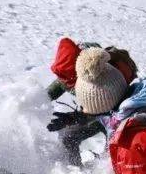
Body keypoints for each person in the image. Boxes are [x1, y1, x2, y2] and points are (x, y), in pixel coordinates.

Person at [45, 38, 137, 166]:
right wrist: (32, 104)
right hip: (99, 112)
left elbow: (105, 110)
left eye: (72, 82)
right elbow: (49, 93)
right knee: (68, 138)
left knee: (113, 150)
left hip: (116, 115)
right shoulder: (70, 72)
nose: (69, 85)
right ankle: (75, 171)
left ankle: (107, 172)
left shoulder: (105, 78)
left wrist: (74, 117)